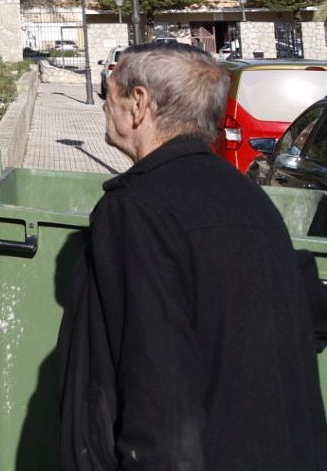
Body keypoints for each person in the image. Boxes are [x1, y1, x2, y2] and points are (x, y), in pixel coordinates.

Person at [57, 42, 327, 471]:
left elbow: (157, 388)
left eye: (110, 94)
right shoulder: (247, 197)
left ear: (139, 103)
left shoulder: (137, 209)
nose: (105, 107)